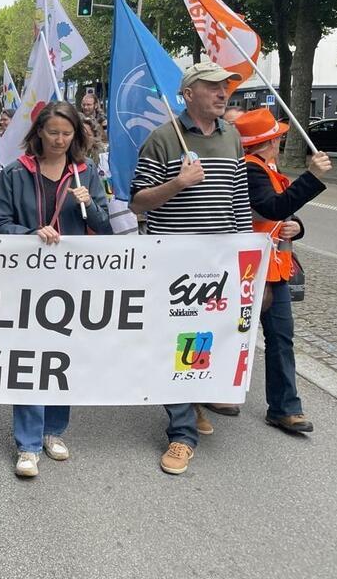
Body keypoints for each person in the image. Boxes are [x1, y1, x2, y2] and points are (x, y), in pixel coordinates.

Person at [129, 61, 251, 475]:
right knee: (172, 342)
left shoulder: (232, 137)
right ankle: (182, 434)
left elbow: (237, 200)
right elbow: (137, 203)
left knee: (202, 338)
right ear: (188, 94)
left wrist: (245, 254)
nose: (223, 94)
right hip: (173, 263)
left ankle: (193, 398)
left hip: (217, 263)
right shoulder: (163, 140)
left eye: (226, 88)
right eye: (213, 87)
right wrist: (178, 184)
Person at [0, 102, 112, 477]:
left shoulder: (86, 173)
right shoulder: (15, 173)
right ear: (39, 133)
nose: (60, 140)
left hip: (70, 282)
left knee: (61, 356)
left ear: (76, 135)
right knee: (29, 357)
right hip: (26, 281)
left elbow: (105, 226)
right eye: (53, 132)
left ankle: (53, 430)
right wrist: (30, 234)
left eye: (67, 133)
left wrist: (90, 205)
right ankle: (27, 444)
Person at [233, 108, 331, 433]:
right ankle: (219, 392)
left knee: (280, 338)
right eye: (277, 137)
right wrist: (312, 176)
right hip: (250, 269)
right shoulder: (252, 169)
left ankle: (285, 407)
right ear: (268, 142)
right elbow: (272, 207)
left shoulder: (264, 168)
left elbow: (279, 213)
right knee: (240, 336)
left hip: (272, 268)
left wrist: (297, 227)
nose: (280, 141)